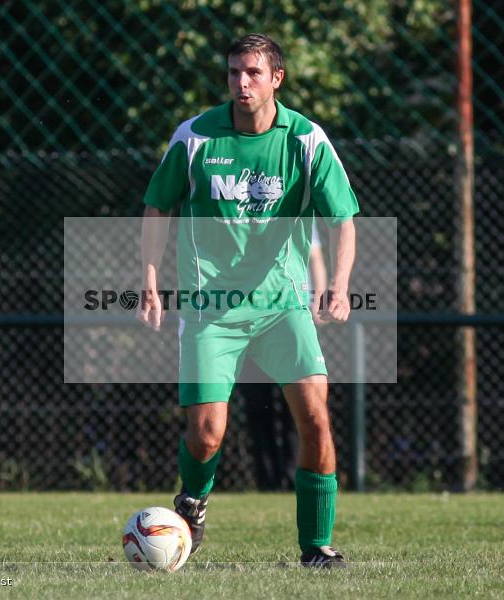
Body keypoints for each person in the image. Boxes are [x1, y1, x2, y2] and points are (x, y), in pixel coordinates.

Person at [137, 33, 358, 568]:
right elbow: (157, 207)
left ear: (276, 79)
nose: (241, 82)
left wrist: (340, 284)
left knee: (316, 418)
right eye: (234, 72)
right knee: (208, 434)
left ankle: (316, 547)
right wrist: (149, 278)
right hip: (211, 308)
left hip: (283, 306)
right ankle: (193, 499)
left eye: (253, 72)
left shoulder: (305, 140)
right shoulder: (194, 138)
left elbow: (342, 219)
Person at [238, 227, 327, 492]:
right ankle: (267, 479)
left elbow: (315, 257)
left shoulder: (296, 199)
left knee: (298, 406)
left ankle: (293, 476)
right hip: (248, 317)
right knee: (258, 404)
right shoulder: (241, 207)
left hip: (290, 318)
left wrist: (319, 298)